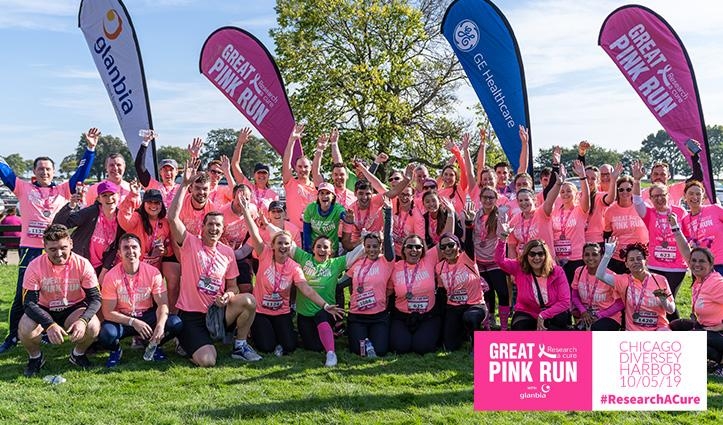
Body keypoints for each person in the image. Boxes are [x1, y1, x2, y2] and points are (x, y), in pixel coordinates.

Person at [0, 129, 97, 353]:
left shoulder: (63, 189)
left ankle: (48, 329)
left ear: (54, 172)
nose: (44, 172)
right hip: (30, 249)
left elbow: (80, 175)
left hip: (56, 250)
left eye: (48, 169)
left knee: (56, 292)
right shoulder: (23, 188)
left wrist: (90, 148)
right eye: (40, 168)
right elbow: (5, 173)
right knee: (22, 295)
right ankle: (13, 335)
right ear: (34, 172)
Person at [168, 159, 261, 367]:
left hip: (217, 312)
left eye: (218, 225)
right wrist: (184, 185)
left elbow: (233, 286)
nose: (214, 229)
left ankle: (240, 345)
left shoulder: (227, 252)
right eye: (210, 224)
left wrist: (229, 295)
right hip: (192, 315)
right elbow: (172, 217)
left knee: (248, 301)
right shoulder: (191, 243)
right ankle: (186, 340)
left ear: (222, 228)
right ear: (203, 227)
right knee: (208, 361)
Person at [237, 197, 344, 356]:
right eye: (279, 243)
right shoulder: (264, 253)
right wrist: (246, 211)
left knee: (289, 345)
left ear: (290, 247)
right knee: (266, 346)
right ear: (272, 245)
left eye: (286, 243)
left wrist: (325, 306)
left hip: (282, 312)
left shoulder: (294, 267)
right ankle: (257, 332)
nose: (283, 246)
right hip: (261, 311)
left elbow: (306, 289)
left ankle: (278, 337)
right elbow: (253, 231)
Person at [18, 224, 101, 376]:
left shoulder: (83, 264)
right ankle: (35, 357)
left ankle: (78, 354)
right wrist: (49, 325)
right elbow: (29, 303)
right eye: (53, 249)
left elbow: (96, 299)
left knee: (93, 326)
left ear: (71, 244)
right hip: (44, 307)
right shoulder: (34, 266)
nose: (59, 254)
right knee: (25, 327)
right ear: (44, 247)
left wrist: (83, 321)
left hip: (73, 308)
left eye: (63, 247)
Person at [99, 233, 183, 367]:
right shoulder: (110, 276)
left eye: (134, 247)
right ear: (119, 253)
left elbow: (162, 304)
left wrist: (160, 325)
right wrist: (133, 322)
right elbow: (108, 312)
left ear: (140, 251)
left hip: (147, 315)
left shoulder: (153, 272)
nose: (130, 251)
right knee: (105, 333)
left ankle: (154, 344)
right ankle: (115, 350)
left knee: (174, 322)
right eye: (126, 248)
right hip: (124, 319)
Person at [291, 234, 365, 366]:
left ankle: (331, 354)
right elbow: (286, 243)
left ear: (331, 251)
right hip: (305, 314)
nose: (322, 249)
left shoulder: (336, 263)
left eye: (326, 247)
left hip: (326, 310)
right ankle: (331, 334)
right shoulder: (303, 258)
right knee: (314, 347)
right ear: (313, 249)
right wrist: (267, 224)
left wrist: (366, 238)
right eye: (318, 246)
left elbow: (356, 253)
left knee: (321, 316)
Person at [632, 160, 687, 321]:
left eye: (662, 195)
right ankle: (664, 331)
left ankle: (680, 332)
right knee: (659, 300)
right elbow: (636, 200)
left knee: (670, 300)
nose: (659, 199)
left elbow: (688, 236)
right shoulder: (648, 213)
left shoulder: (680, 211)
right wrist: (636, 180)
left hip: (676, 267)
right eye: (655, 196)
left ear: (667, 196)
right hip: (655, 265)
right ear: (650, 198)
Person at [669, 219, 723, 376]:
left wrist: (720, 326)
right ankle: (713, 360)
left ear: (711, 264)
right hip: (704, 329)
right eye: (693, 261)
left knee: (688, 339)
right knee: (672, 327)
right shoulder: (699, 279)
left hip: (717, 334)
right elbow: (686, 252)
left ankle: (714, 362)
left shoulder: (716, 282)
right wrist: (675, 227)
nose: (696, 264)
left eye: (702, 262)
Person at [345, 199, 394, 356]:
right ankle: (364, 341)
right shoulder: (358, 264)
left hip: (378, 316)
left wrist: (388, 215)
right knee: (358, 351)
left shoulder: (386, 261)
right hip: (357, 315)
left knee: (380, 351)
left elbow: (388, 238)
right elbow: (341, 283)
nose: (372, 249)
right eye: (368, 246)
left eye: (375, 246)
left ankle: (370, 341)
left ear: (380, 247)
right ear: (363, 247)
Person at [596, 237, 675, 331]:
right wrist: (607, 254)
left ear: (646, 261)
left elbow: (671, 310)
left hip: (659, 330)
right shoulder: (623, 280)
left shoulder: (660, 280)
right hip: (633, 331)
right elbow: (600, 275)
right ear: (626, 264)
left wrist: (663, 300)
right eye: (631, 260)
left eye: (639, 258)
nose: (636, 262)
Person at [495, 235, 571, 331]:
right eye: (532, 254)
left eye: (540, 254)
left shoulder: (557, 272)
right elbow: (499, 260)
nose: (536, 257)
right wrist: (502, 239)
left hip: (552, 312)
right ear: (526, 256)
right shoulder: (519, 267)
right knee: (520, 327)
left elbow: (565, 302)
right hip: (527, 312)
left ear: (546, 255)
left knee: (558, 327)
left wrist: (543, 315)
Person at [53, 180, 123, 276]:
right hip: (79, 263)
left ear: (118, 196)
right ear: (99, 199)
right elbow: (59, 224)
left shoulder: (121, 218)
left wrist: (103, 272)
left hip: (100, 267)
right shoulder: (91, 213)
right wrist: (71, 205)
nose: (109, 198)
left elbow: (114, 249)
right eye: (104, 195)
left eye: (112, 194)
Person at [437, 229, 489, 351]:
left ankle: (477, 345)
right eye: (443, 247)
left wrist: (469, 225)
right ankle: (464, 332)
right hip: (453, 306)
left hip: (474, 305)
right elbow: (441, 290)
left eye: (451, 245)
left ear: (458, 246)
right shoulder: (439, 267)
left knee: (470, 317)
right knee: (450, 347)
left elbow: (470, 243)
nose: (448, 249)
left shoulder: (467, 258)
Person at [472, 186, 510, 330]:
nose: (488, 200)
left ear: (496, 199)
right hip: (479, 262)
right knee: (486, 294)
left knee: (502, 292)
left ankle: (504, 326)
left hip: (495, 261)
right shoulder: (475, 214)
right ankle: (487, 324)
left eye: (491, 198)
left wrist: (502, 219)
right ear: (480, 199)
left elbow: (502, 235)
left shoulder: (500, 214)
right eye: (485, 197)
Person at [603, 168, 649, 274]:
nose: (625, 192)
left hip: (639, 257)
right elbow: (607, 235)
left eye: (628, 189)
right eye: (621, 189)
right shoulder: (610, 211)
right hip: (618, 258)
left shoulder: (642, 207)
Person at [552, 160, 590, 283]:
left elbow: (586, 196)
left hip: (576, 258)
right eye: (562, 191)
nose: (565, 194)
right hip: (558, 258)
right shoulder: (555, 212)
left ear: (576, 193)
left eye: (569, 191)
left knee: (576, 292)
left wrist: (582, 176)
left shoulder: (580, 210)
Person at [570, 243, 623, 331]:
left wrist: (599, 315)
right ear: (582, 257)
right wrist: (583, 311)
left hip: (608, 317)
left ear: (601, 257)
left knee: (596, 329)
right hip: (586, 315)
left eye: (594, 254)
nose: (590, 258)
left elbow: (620, 303)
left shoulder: (610, 276)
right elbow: (575, 296)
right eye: (587, 255)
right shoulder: (579, 271)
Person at [231, 127, 279, 214]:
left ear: (268, 176)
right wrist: (240, 143)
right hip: (247, 225)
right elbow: (234, 164)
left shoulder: (274, 195)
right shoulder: (247, 187)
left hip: (264, 226)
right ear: (254, 175)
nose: (261, 175)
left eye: (264, 173)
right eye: (259, 172)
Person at [679, 180, 723, 274]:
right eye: (691, 193)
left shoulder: (715, 209)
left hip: (720, 263)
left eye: (698, 194)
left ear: (703, 197)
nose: (695, 197)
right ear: (685, 197)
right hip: (701, 266)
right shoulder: (685, 220)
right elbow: (686, 242)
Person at [282, 124, 317, 228]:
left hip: (313, 231)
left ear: (310, 168)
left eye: (306, 166)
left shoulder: (317, 187)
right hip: (293, 232)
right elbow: (286, 161)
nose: (303, 169)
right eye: (300, 166)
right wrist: (292, 140)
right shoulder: (290, 183)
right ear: (295, 168)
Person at [312, 129, 356, 208]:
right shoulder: (327, 192)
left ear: (347, 176)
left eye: (342, 174)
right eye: (336, 174)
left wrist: (334, 143)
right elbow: (315, 172)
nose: (339, 177)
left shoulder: (354, 196)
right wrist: (319, 150)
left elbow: (339, 163)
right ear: (332, 176)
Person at [302, 182, 351, 254]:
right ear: (318, 195)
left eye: (328, 193)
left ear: (333, 196)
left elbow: (343, 214)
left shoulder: (337, 208)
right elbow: (306, 231)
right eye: (322, 193)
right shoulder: (310, 208)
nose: (324, 196)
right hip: (315, 249)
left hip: (331, 250)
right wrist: (309, 250)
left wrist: (347, 219)